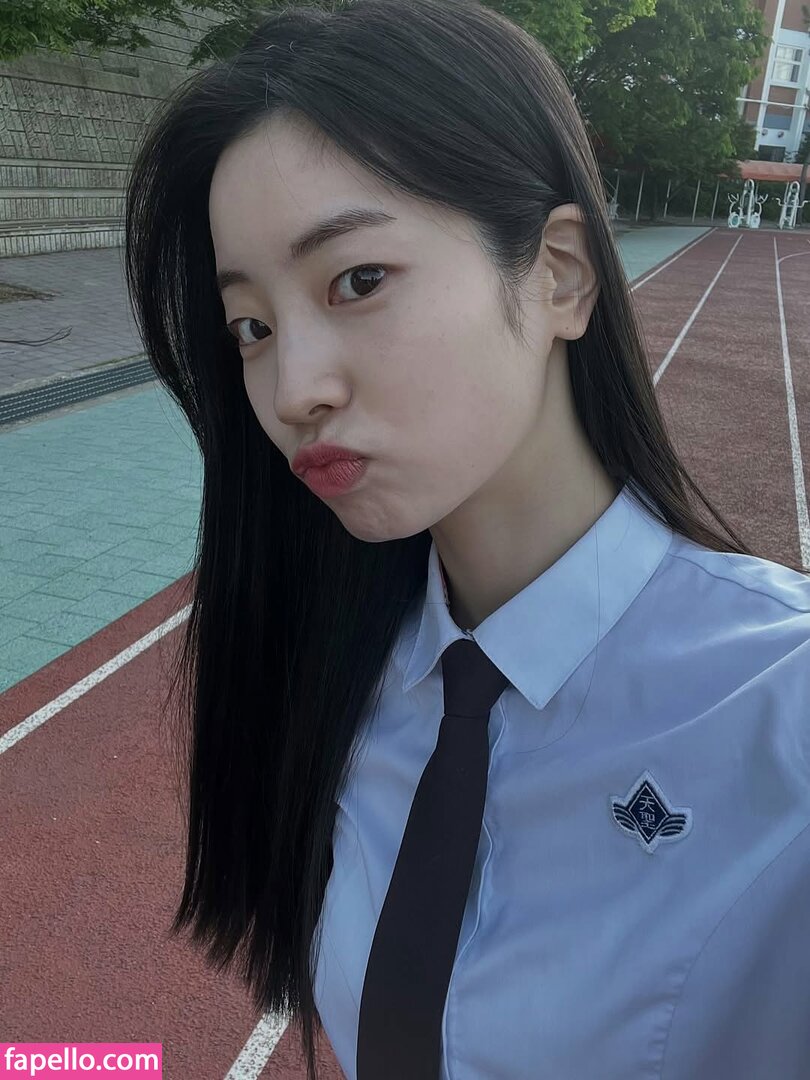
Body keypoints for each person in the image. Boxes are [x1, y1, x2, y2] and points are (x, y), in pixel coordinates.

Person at [123, 1, 810, 1077]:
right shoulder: (334, 671)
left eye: (358, 281)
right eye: (251, 327)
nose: (294, 389)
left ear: (560, 275)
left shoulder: (783, 718)